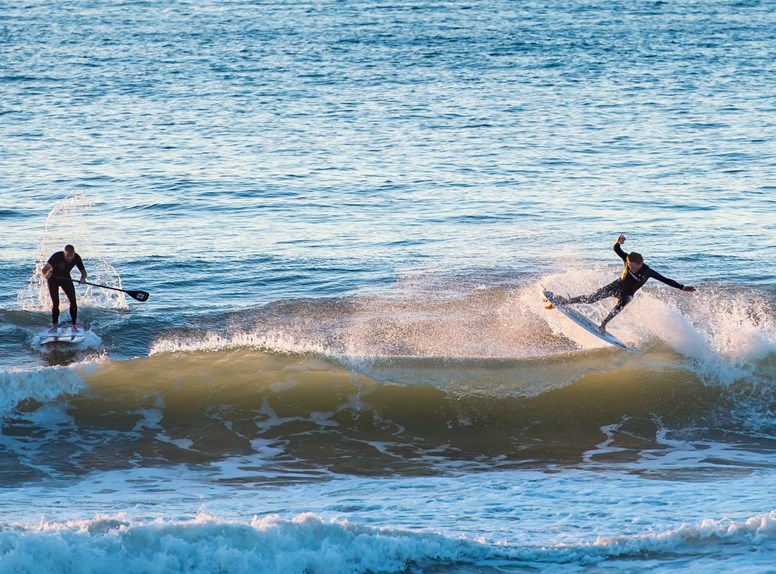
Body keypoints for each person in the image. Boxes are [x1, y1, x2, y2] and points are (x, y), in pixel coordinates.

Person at [555, 234, 696, 333]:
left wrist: (682, 287)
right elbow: (616, 249)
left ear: (641, 263)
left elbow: (666, 280)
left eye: (634, 267)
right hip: (616, 285)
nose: (631, 268)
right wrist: (618, 243)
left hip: (628, 293)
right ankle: (566, 301)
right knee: (592, 298)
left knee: (619, 306)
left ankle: (603, 325)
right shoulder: (627, 260)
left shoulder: (648, 271)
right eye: (629, 265)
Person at [40, 244, 88, 332]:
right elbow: (43, 270)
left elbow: (84, 273)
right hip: (53, 279)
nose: (70, 258)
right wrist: (46, 275)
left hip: (66, 278)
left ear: (74, 253)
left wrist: (83, 279)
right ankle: (55, 325)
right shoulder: (56, 256)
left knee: (73, 301)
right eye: (68, 256)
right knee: (55, 302)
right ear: (64, 253)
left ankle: (74, 324)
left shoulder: (77, 257)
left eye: (71, 255)